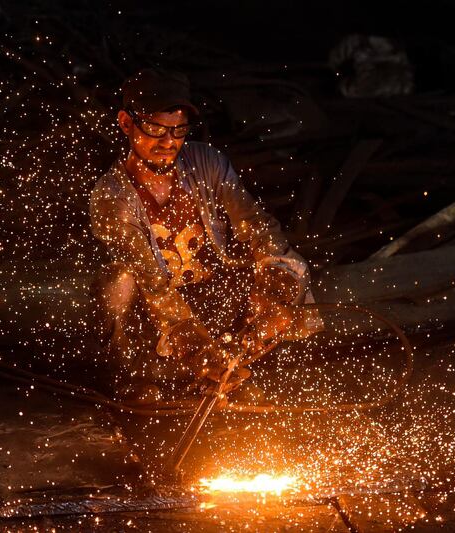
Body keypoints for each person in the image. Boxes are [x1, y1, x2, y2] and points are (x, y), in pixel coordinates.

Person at [90, 68, 322, 403]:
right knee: (119, 283)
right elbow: (149, 278)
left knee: (280, 272)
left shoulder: (206, 162)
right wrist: (193, 344)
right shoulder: (111, 196)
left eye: (178, 129)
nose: (168, 142)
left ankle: (231, 369)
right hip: (153, 308)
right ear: (127, 123)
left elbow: (255, 225)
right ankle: (130, 376)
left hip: (207, 290)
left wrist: (274, 282)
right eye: (155, 128)